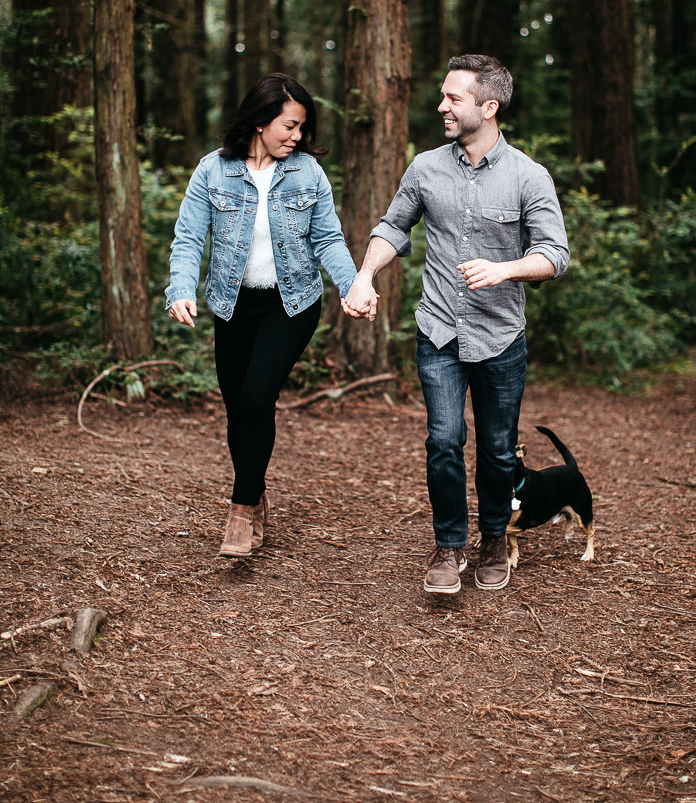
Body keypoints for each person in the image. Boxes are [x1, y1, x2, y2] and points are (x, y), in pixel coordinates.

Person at [342, 54, 569, 593]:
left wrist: (507, 268)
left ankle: (494, 538)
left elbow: (555, 255)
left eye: (454, 98)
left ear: (488, 108)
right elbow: (393, 227)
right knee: (443, 440)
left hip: (500, 338)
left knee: (496, 447)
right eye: (443, 95)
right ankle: (449, 546)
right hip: (439, 330)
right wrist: (364, 275)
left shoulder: (528, 176)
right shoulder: (425, 168)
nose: (441, 105)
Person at [166, 72, 361, 558]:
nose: (297, 137)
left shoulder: (307, 174)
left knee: (256, 397)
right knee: (239, 409)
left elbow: (327, 239)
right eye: (289, 126)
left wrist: (353, 283)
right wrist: (181, 288)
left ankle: (241, 509)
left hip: (291, 303)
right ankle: (256, 490)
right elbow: (190, 237)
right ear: (259, 122)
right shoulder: (213, 171)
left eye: (301, 128)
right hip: (233, 305)